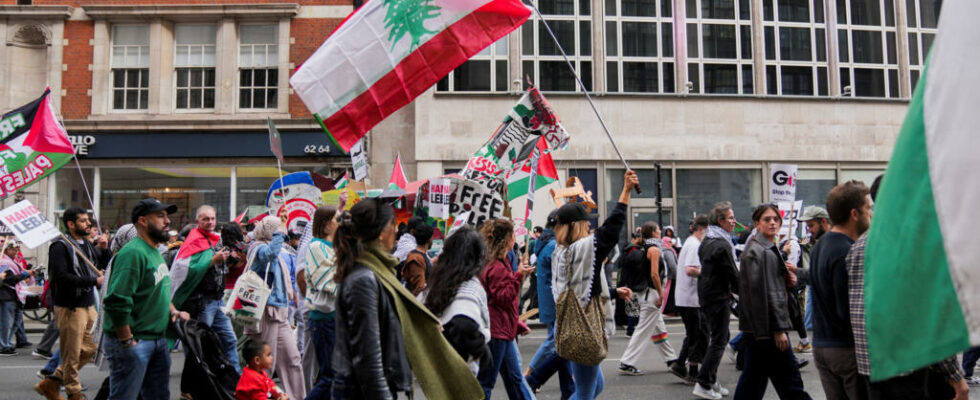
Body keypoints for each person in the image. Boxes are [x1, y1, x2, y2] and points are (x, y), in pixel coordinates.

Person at [332, 198, 482, 399]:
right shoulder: (364, 279)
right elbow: (368, 357)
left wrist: (421, 322)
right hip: (360, 390)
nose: (396, 231)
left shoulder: (376, 271)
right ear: (380, 233)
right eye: (392, 225)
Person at [847, 176, 968, 399]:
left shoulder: (859, 246)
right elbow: (929, 315)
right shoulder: (913, 244)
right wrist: (954, 374)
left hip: (871, 365)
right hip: (906, 368)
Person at [552, 170, 637, 400]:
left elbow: (578, 288)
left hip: (572, 325)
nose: (590, 227)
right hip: (584, 329)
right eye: (586, 223)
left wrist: (612, 292)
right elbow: (611, 230)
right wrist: (625, 192)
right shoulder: (582, 249)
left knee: (594, 387)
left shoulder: (561, 252)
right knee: (586, 393)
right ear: (577, 225)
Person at [101, 198, 190, 400]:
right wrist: (127, 341)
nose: (167, 221)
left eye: (167, 216)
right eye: (160, 216)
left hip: (157, 340)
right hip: (135, 340)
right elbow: (117, 301)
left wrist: (173, 311)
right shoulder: (132, 253)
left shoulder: (155, 251)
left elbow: (157, 290)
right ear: (142, 221)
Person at [733, 204, 811, 400]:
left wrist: (787, 280)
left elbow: (772, 286)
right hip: (767, 330)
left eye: (776, 219)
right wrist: (778, 330)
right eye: (767, 219)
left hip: (760, 329)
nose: (773, 223)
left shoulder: (764, 247)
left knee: (756, 381)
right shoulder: (760, 251)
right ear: (757, 223)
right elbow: (762, 294)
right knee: (787, 382)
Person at [34, 207, 109, 400]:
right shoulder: (60, 246)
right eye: (83, 221)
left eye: (88, 220)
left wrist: (104, 248)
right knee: (72, 352)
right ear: (71, 224)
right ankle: (73, 391)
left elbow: (100, 265)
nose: (88, 224)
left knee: (92, 347)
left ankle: (52, 381)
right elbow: (61, 277)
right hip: (69, 306)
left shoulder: (87, 244)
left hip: (87, 304)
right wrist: (93, 281)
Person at [810, 181, 872, 400]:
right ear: (855, 214)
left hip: (822, 345)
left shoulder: (821, 245)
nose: (872, 214)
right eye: (869, 208)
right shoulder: (846, 251)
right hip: (846, 350)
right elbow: (847, 310)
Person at [169, 205, 240, 375]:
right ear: (197, 222)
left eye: (212, 218)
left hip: (217, 300)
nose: (210, 222)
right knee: (197, 345)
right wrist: (212, 261)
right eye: (205, 219)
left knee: (229, 340)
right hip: (201, 303)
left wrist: (229, 259)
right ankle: (196, 384)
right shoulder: (193, 240)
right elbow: (184, 268)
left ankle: (236, 381)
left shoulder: (216, 239)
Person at [245, 216, 307, 400]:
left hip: (280, 311)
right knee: (265, 363)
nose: (281, 235)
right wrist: (280, 231)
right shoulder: (258, 248)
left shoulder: (272, 248)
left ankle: (297, 397)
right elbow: (269, 254)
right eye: (276, 231)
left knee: (292, 359)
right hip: (266, 312)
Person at [476, 218, 536, 400]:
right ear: (507, 239)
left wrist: (515, 322)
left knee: (514, 378)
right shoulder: (497, 267)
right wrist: (518, 276)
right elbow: (503, 299)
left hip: (502, 329)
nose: (514, 239)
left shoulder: (496, 263)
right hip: (497, 332)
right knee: (487, 382)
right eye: (512, 236)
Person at [420, 226, 491, 376]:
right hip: (460, 372)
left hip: (435, 368)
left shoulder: (437, 281)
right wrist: (480, 349)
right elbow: (463, 323)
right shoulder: (469, 286)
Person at [524, 210, 575, 398]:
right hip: (555, 299)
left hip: (547, 297)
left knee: (559, 343)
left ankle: (568, 386)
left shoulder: (542, 241)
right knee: (555, 341)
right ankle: (530, 375)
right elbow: (561, 275)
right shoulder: (553, 245)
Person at [617, 221, 679, 376]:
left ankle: (671, 359)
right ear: (653, 232)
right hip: (652, 294)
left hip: (648, 294)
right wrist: (661, 293)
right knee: (643, 330)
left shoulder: (646, 247)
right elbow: (654, 274)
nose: (660, 231)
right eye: (658, 229)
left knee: (659, 330)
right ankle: (627, 362)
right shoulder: (654, 249)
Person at [694, 202, 740, 400]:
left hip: (708, 294)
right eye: (730, 218)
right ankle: (704, 382)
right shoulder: (722, 244)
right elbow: (733, 274)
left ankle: (710, 379)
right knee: (719, 340)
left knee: (720, 337)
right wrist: (745, 293)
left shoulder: (708, 239)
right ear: (720, 221)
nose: (734, 221)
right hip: (717, 296)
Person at [298, 205, 340, 400]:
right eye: (337, 220)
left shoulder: (334, 247)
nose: (341, 224)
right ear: (325, 226)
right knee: (329, 376)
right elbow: (328, 281)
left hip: (334, 318)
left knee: (333, 375)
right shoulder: (315, 247)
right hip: (324, 318)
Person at [671, 215, 710, 384]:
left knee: (695, 333)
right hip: (690, 297)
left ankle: (680, 364)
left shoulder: (690, 242)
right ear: (702, 229)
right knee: (697, 334)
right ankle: (692, 370)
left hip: (687, 296)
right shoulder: (695, 245)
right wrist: (708, 272)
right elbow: (690, 270)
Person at [795, 205, 831, 353]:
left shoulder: (829, 244)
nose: (809, 229)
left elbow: (818, 276)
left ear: (823, 222)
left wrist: (796, 271)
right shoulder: (818, 243)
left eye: (811, 225)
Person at [1, 239, 36, 356]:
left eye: (16, 249)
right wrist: (26, 274)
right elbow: (10, 280)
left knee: (16, 321)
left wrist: (27, 274)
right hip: (6, 296)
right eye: (13, 249)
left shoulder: (14, 262)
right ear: (6, 250)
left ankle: (6, 342)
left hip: (15, 296)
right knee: (6, 323)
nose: (16, 252)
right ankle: (3, 346)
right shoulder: (3, 262)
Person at [402, 224, 434, 296]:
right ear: (429, 239)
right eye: (432, 237)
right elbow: (419, 289)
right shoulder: (417, 258)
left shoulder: (417, 254)